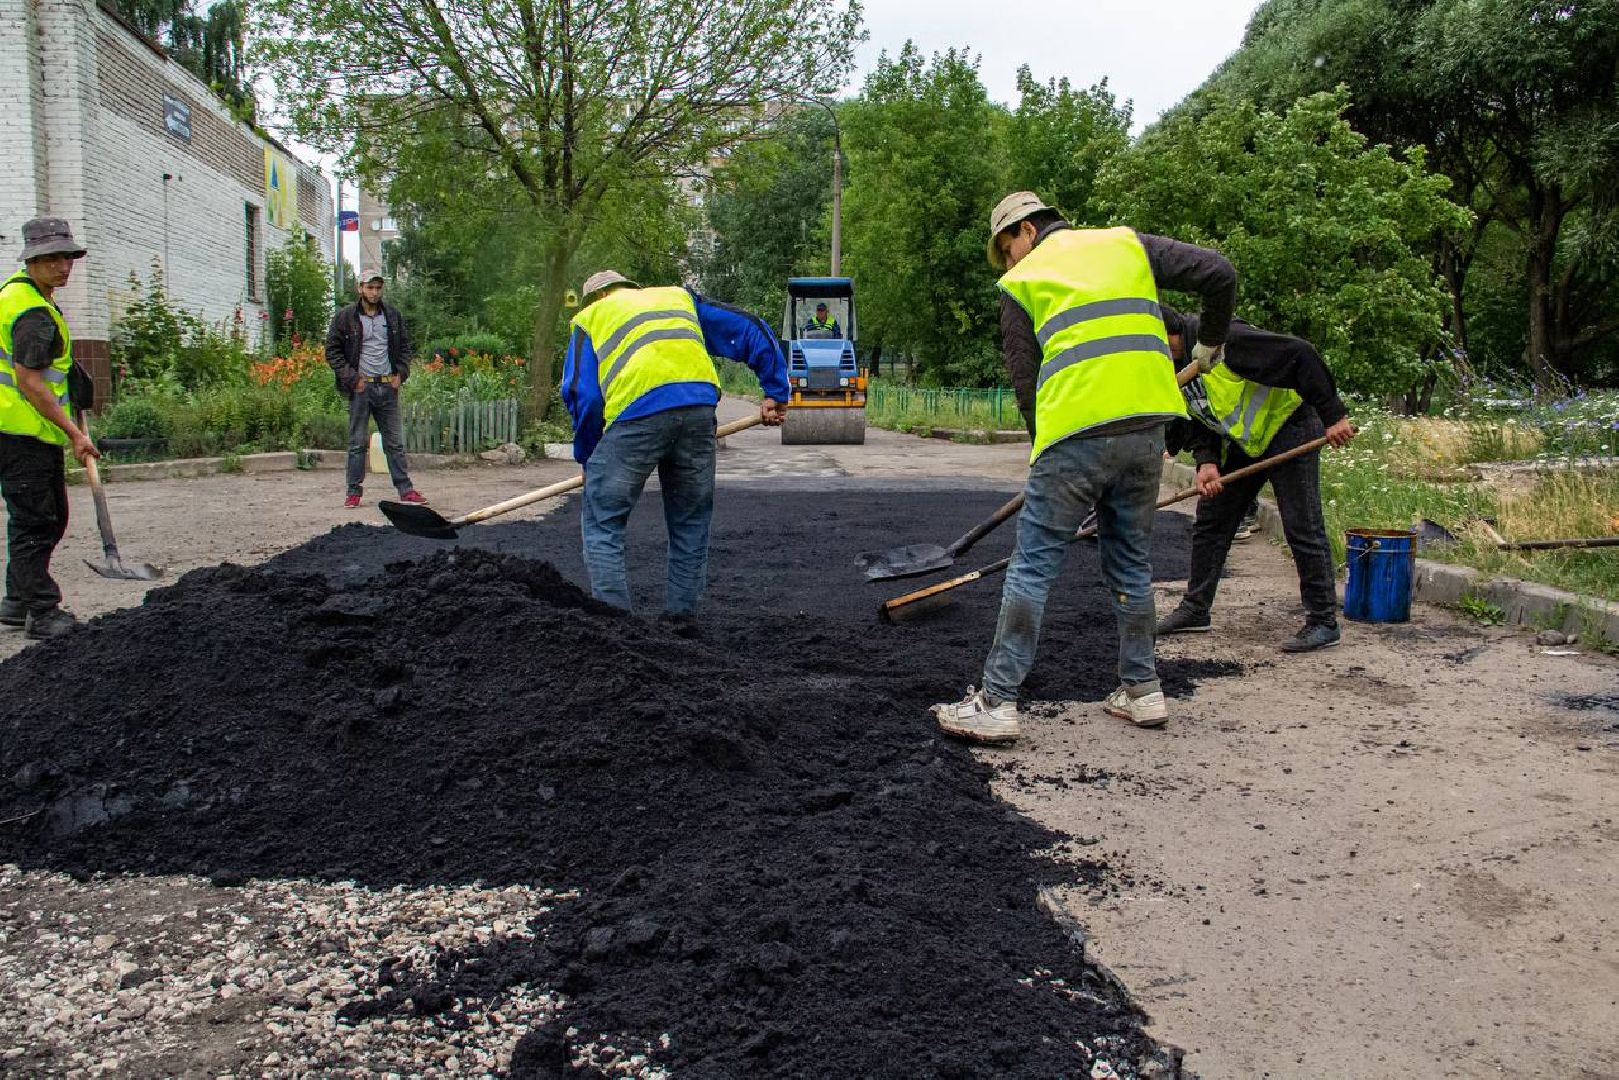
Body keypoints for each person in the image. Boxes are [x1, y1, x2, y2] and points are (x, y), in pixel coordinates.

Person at [932, 192, 1237, 744]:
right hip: (1147, 429)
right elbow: (1218, 271)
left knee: (1032, 566)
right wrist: (1211, 342)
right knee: (1130, 562)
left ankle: (996, 701)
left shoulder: (1023, 283)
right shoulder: (1126, 245)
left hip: (1074, 433)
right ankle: (1143, 690)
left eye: (1007, 250)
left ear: (1026, 230)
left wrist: (1041, 451)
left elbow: (1027, 384)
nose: (1009, 264)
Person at [562, 270, 789, 620]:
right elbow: (748, 328)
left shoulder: (590, 318)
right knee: (690, 521)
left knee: (603, 521)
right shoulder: (677, 299)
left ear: (596, 297)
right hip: (698, 409)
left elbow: (584, 395)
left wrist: (589, 456)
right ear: (631, 289)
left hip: (636, 414)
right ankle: (681, 622)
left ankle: (615, 629)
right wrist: (775, 392)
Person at [1154, 305, 1355, 651]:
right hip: (1251, 442)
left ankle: (1323, 620)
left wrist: (1333, 415)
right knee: (1212, 519)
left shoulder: (1222, 340)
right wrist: (1207, 462)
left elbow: (1300, 353)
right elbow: (1201, 413)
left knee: (1301, 524)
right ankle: (1195, 609)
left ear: (1163, 336)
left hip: (1291, 425)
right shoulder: (1170, 366)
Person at [0, 218, 100, 640]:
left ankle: (15, 601)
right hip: (21, 432)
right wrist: (76, 434)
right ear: (33, 260)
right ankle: (42, 611)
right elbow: (29, 380)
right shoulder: (33, 312)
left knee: (37, 518)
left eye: (67, 258)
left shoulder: (17, 293)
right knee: (39, 522)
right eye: (52, 258)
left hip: (18, 430)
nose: (63, 267)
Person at [324, 269, 424, 508]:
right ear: (360, 288)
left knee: (395, 443)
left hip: (387, 386)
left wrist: (401, 373)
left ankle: (405, 490)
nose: (374, 292)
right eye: (370, 287)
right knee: (357, 443)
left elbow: (405, 348)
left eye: (378, 287)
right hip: (361, 388)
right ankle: (353, 492)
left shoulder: (392, 316)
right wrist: (352, 378)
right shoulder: (346, 317)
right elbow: (332, 351)